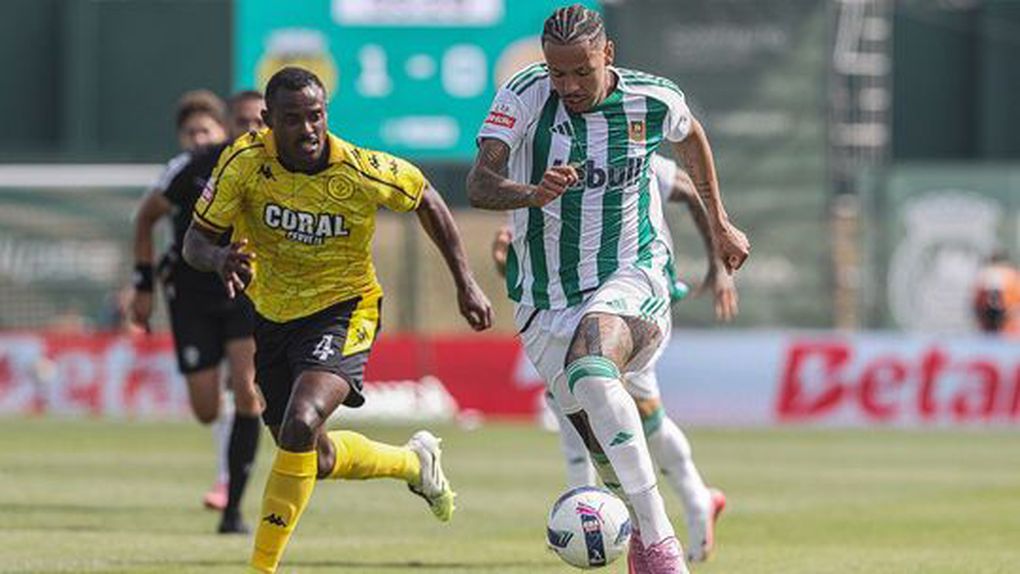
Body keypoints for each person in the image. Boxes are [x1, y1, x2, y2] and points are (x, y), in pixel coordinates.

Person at [466, 6, 749, 573]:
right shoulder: (522, 97)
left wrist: (720, 223)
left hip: (633, 272)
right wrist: (531, 193)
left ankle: (662, 545)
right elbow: (480, 183)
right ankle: (643, 536)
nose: (569, 85)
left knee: (592, 370)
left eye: (582, 71)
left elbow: (691, 136)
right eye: (558, 73)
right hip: (544, 301)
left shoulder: (651, 99)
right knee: (597, 427)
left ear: (608, 55)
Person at [181, 66, 492, 574]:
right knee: (313, 455)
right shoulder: (243, 161)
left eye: (316, 116)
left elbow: (426, 198)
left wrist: (466, 282)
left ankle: (261, 568)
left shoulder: (359, 168)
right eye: (292, 119)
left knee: (302, 420)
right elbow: (195, 241)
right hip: (273, 318)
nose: (307, 129)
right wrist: (218, 258)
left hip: (345, 309)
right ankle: (413, 463)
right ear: (268, 120)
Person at [490, 152, 732, 562]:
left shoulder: (631, 148)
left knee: (615, 403)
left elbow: (690, 189)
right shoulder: (544, 166)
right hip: (569, 306)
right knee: (609, 408)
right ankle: (677, 503)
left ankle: (630, 511)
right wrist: (507, 263)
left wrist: (719, 264)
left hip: (630, 296)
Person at [130, 90, 266, 533]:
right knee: (206, 409)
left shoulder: (282, 170)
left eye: (259, 122)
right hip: (191, 296)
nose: (252, 130)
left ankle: (233, 511)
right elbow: (146, 217)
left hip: (246, 293)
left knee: (248, 392)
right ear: (229, 126)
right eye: (243, 121)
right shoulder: (196, 166)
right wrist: (143, 284)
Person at [972, 251, 1020, 336]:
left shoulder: (987, 274)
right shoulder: (1011, 274)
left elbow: (981, 303)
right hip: (1008, 323)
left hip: (999, 321)